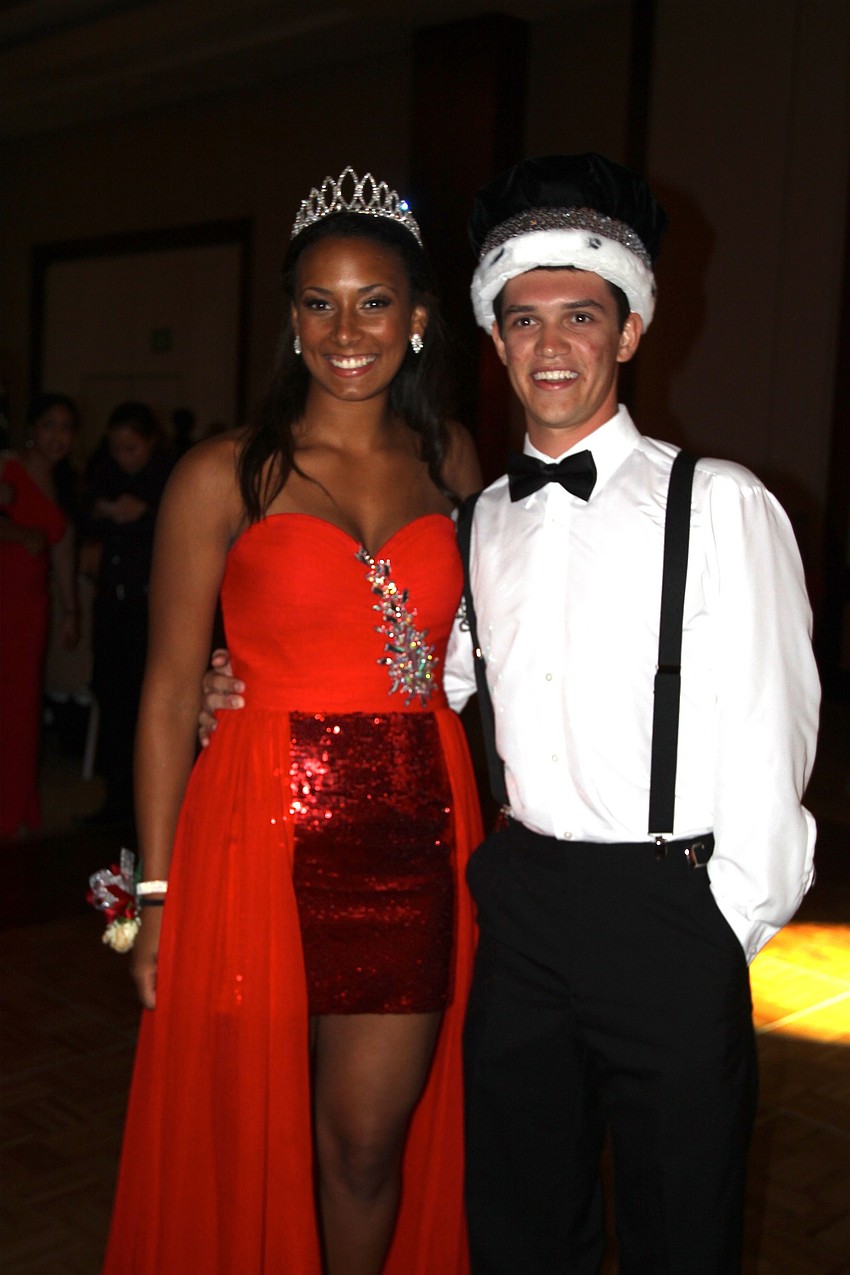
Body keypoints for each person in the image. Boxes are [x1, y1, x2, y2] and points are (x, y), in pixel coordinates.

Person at [204, 154, 820, 1274]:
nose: (550, 347)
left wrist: (716, 930)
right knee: (526, 1226)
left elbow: (779, 736)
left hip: (668, 906)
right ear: (490, 340)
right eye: (523, 321)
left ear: (628, 334)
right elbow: (423, 672)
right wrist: (242, 683)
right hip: (518, 909)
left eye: (579, 317)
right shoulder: (475, 510)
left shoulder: (719, 502)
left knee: (682, 1230)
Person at [104, 168, 483, 1275]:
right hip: (254, 838)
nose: (346, 329)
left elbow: (489, 651)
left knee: (368, 1142)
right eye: (319, 302)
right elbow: (171, 692)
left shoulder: (454, 460)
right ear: (291, 320)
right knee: (246, 1130)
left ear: (417, 320)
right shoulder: (226, 473)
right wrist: (153, 900)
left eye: (374, 301)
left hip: (413, 830)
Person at [84, 401, 173, 823]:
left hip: (148, 607)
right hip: (111, 603)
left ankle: (151, 806)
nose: (123, 456)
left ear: (151, 444)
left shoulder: (167, 480)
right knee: (111, 698)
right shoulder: (103, 474)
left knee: (146, 701)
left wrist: (146, 515)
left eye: (132, 448)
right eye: (116, 447)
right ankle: (115, 800)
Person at [0, 393, 80, 838]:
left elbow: (63, 549)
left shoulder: (64, 482)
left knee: (23, 710)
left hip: (31, 608)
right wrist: (16, 531)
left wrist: (71, 611)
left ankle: (17, 806)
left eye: (66, 428)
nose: (57, 436)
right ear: (32, 429)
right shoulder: (7, 468)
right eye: (49, 425)